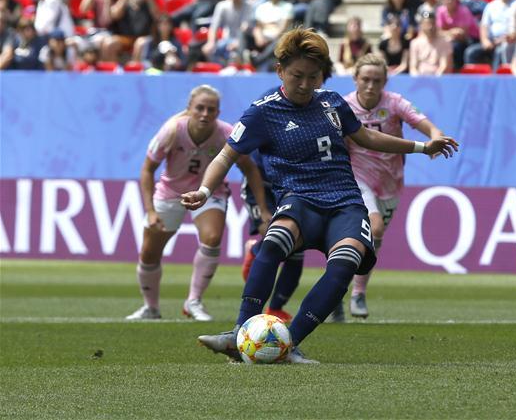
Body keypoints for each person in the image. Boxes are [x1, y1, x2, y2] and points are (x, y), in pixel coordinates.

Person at [191, 28, 458, 363]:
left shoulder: (332, 102)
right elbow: (226, 156)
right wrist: (204, 189)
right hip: (299, 199)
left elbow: (367, 138)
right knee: (273, 243)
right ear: (280, 72)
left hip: (345, 202)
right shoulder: (263, 111)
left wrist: (421, 146)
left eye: (313, 76)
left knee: (345, 265)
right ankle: (239, 331)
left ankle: (290, 345)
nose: (305, 84)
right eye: (297, 76)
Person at [126, 85, 271, 322]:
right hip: (171, 192)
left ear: (218, 112)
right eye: (200, 108)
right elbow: (147, 170)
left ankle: (193, 301)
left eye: (211, 110)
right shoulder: (172, 130)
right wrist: (150, 211)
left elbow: (250, 170)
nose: (205, 114)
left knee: (212, 238)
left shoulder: (227, 133)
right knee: (149, 253)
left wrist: (263, 209)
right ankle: (150, 308)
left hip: (208, 193)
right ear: (190, 109)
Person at [343, 54, 449, 317]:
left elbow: (423, 123)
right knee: (374, 227)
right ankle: (354, 294)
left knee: (373, 238)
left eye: (376, 81)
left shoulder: (394, 103)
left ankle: (348, 290)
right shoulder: (344, 106)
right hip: (357, 177)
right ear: (355, 79)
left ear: (385, 82)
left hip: (391, 180)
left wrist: (436, 138)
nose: (370, 86)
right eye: (365, 79)